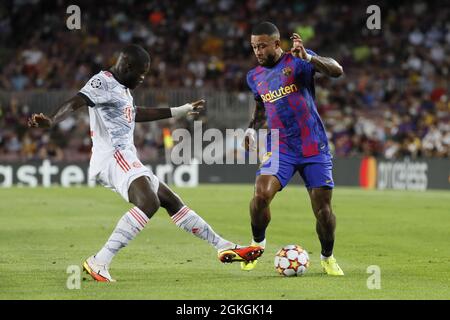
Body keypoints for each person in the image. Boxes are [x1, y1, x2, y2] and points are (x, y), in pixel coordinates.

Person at [28, 44, 263, 282]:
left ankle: (223, 246)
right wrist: (51, 119)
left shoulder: (122, 89)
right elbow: (76, 101)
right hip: (113, 156)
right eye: (141, 74)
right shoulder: (103, 82)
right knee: (149, 202)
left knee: (171, 201)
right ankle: (99, 261)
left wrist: (180, 110)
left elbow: (134, 113)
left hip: (125, 157)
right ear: (127, 66)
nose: (142, 79)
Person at [242, 22, 344, 275]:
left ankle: (327, 256)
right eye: (254, 47)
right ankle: (257, 244)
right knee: (260, 196)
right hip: (280, 146)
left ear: (277, 44)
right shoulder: (254, 76)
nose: (257, 51)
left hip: (313, 146)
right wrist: (250, 128)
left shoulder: (297, 61)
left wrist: (309, 56)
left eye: (262, 46)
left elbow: (337, 70)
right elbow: (260, 104)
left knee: (323, 211)